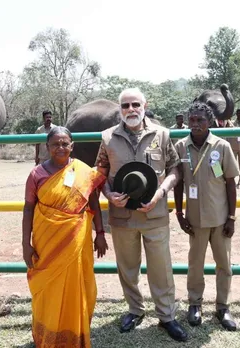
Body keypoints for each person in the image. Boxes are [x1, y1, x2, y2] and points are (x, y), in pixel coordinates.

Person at [94, 87, 188, 342]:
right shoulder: (107, 137)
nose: (131, 110)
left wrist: (160, 193)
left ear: (145, 105)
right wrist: (108, 194)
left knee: (161, 267)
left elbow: (174, 170)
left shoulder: (162, 134)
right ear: (120, 109)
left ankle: (167, 316)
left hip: (155, 213)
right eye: (125, 106)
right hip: (122, 216)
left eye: (135, 104)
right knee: (127, 267)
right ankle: (135, 310)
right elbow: (99, 173)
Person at [22, 126, 108, 347]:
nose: (60, 148)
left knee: (77, 285)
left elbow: (94, 203)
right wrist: (26, 244)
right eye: (55, 144)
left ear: (72, 146)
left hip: (77, 238)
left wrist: (100, 233)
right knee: (48, 287)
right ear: (47, 147)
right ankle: (47, 334)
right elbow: (29, 209)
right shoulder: (36, 174)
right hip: (46, 240)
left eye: (64, 144)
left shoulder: (83, 171)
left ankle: (74, 334)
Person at [174, 101, 240, 331]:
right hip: (195, 220)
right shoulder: (181, 147)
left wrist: (231, 218)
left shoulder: (221, 147)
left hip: (220, 219)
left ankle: (223, 307)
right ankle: (195, 304)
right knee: (195, 264)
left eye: (200, 120)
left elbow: (230, 182)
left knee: (224, 264)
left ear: (210, 121)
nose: (195, 124)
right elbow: (179, 181)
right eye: (192, 120)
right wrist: (180, 213)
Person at [211, 109, 240, 186]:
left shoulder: (228, 123)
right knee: (216, 162)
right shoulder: (213, 123)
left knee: (239, 164)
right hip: (215, 146)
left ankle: (239, 179)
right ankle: (221, 180)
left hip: (229, 146)